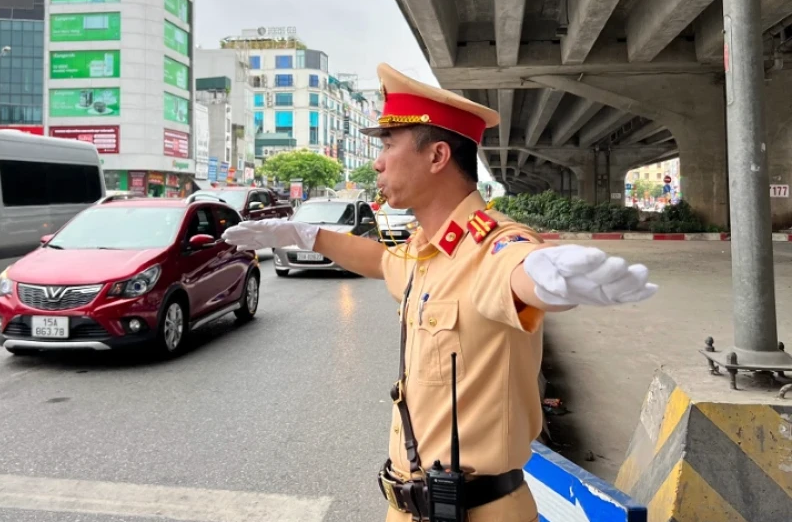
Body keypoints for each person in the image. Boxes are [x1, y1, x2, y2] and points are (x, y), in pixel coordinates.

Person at [221, 63, 657, 522]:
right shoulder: (425, 249)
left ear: (437, 156)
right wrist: (305, 235)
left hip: (477, 512)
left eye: (389, 145)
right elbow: (382, 261)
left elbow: (512, 273)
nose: (378, 161)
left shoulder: (494, 244)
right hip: (411, 508)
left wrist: (546, 277)